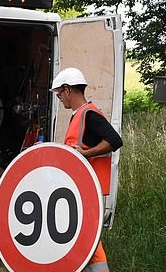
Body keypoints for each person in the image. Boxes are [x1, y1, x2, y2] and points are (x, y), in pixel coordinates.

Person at [50, 67, 123, 272]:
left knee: (87, 235)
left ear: (67, 90)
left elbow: (115, 140)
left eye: (59, 94)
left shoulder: (89, 115)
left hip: (89, 188)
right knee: (83, 235)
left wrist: (86, 154)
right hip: (81, 188)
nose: (60, 99)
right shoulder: (79, 116)